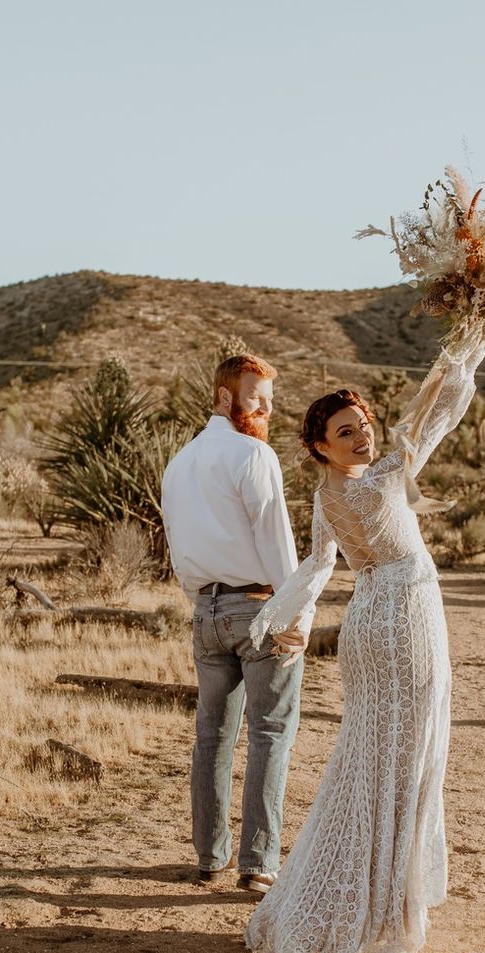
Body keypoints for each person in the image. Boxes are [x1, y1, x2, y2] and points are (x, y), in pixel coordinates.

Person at [244, 328, 485, 953]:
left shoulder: (326, 500)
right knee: (403, 761)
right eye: (347, 431)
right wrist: (466, 351)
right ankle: (381, 909)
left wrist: (292, 620)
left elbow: (319, 567)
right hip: (407, 620)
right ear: (320, 444)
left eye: (365, 427)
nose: (365, 438)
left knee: (368, 758)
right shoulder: (383, 478)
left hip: (367, 624)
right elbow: (433, 413)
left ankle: (365, 892)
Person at [161, 354, 308, 895]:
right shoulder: (253, 454)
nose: (265, 409)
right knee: (270, 733)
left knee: (212, 737)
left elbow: (177, 545)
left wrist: (201, 602)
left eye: (269, 398)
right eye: (255, 396)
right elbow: (276, 542)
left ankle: (209, 857)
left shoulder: (177, 463)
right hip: (261, 607)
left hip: (206, 611)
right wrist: (298, 615)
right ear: (225, 397)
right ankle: (258, 862)